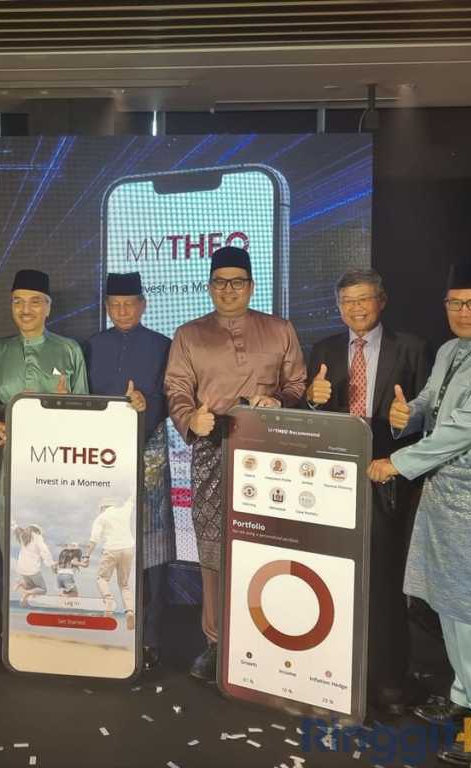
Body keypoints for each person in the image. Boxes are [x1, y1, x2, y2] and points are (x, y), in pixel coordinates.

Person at [368, 264, 471, 766]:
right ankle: (466, 697)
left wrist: (396, 462)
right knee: (450, 604)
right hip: (444, 491)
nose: (463, 312)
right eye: (455, 303)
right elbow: (430, 404)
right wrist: (407, 414)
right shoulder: (448, 351)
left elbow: (460, 430)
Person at [165, 246, 307, 682]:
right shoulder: (189, 334)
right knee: (213, 548)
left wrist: (278, 400)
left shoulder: (279, 329)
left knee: (269, 544)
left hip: (270, 454)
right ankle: (215, 642)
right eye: (220, 282)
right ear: (209, 287)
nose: (229, 290)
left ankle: (271, 636)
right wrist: (191, 419)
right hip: (212, 449)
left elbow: (296, 384)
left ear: (251, 285)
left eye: (237, 282)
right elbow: (176, 389)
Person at [305, 268, 431, 717]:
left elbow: (429, 417)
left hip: (387, 480)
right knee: (333, 577)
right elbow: (311, 415)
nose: (355, 309)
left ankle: (390, 679)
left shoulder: (412, 348)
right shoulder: (324, 349)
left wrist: (407, 419)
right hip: (332, 482)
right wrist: (314, 398)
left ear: (382, 300)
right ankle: (338, 672)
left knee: (384, 582)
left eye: (363, 299)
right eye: (347, 302)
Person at [84, 271, 174, 671]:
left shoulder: (163, 346)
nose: (122, 311)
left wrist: (146, 404)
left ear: (143, 305)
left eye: (129, 304)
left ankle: (150, 636)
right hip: (102, 456)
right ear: (106, 307)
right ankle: (107, 625)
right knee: (109, 540)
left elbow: (174, 396)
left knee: (152, 544)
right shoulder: (91, 346)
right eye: (115, 305)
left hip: (149, 451)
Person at [0, 269, 88, 537]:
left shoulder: (69, 349)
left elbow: (85, 410)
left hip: (57, 460)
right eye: (18, 301)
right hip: (9, 460)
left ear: (48, 307)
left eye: (35, 301)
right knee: (11, 535)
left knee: (55, 533)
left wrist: (66, 405)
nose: (25, 309)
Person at [84, 498, 136, 627]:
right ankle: (129, 611)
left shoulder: (100, 518)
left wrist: (86, 556)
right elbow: (131, 499)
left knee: (102, 578)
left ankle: (108, 601)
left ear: (102, 508)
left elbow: (93, 540)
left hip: (111, 549)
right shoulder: (124, 510)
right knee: (124, 585)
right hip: (128, 549)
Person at [12, 524, 54, 607]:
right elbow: (45, 551)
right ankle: (26, 592)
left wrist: (15, 526)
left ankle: (21, 585)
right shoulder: (37, 537)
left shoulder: (23, 537)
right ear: (36, 531)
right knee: (43, 589)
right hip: (32, 570)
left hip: (22, 569)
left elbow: (16, 528)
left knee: (31, 587)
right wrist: (50, 563)